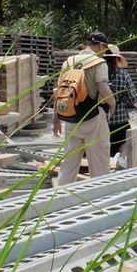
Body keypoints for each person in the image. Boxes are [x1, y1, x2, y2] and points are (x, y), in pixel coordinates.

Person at [52, 48, 116, 184]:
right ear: (100, 46)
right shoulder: (99, 63)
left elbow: (59, 92)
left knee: (69, 163)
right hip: (93, 116)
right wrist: (112, 105)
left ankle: (60, 197)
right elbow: (103, 88)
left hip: (72, 116)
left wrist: (56, 119)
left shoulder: (68, 62)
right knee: (99, 163)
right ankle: (100, 197)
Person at [103, 44, 137, 168]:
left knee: (103, 143)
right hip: (120, 118)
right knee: (126, 140)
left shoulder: (98, 74)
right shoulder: (123, 74)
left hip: (101, 118)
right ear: (117, 59)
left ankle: (103, 165)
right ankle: (122, 159)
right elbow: (133, 96)